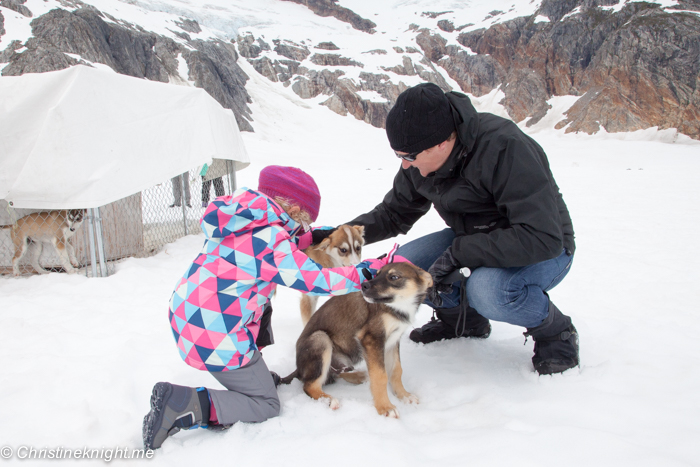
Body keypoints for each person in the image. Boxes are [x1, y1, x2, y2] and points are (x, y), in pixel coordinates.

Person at [318, 82, 578, 376]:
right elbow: (394, 213)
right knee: (405, 268)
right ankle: (464, 322)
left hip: (544, 248)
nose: (405, 166)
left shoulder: (506, 148)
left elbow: (542, 237)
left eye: (409, 156)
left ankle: (557, 333)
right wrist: (334, 234)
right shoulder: (419, 162)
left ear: (442, 143)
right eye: (399, 156)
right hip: (474, 239)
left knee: (489, 290)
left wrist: (460, 253)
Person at [143, 165, 399, 450]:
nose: (304, 228)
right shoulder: (269, 240)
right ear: (294, 211)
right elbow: (313, 278)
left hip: (189, 314)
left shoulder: (240, 217)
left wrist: (311, 236)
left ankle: (254, 377)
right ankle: (182, 404)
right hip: (216, 333)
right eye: (304, 221)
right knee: (265, 404)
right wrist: (363, 273)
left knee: (259, 312)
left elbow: (274, 245)